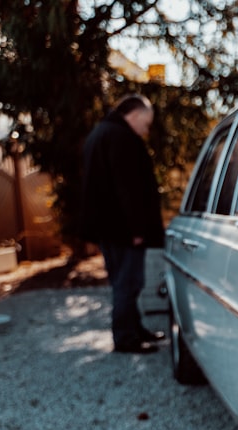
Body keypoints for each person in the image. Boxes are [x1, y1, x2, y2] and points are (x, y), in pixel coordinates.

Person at [79, 94, 166, 353]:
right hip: (124, 230)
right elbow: (128, 188)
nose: (146, 130)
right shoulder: (120, 138)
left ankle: (134, 329)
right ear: (136, 115)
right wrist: (137, 230)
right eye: (146, 123)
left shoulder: (101, 133)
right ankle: (126, 338)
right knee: (128, 283)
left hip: (111, 228)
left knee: (125, 282)